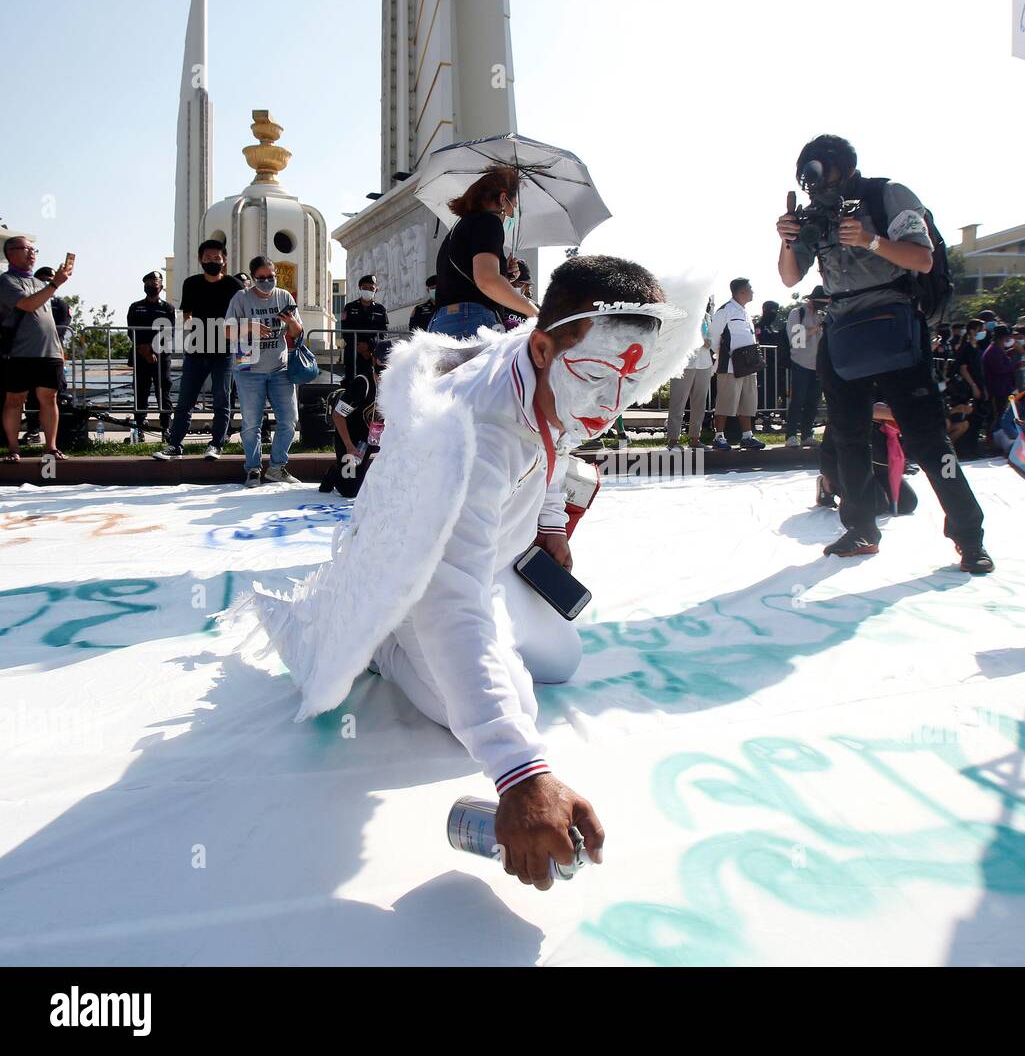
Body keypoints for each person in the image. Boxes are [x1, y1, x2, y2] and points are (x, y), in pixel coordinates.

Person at [242, 255, 703, 891]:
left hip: (485, 563)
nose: (609, 406)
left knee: (560, 661)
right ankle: (386, 642)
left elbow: (556, 440)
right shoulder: (471, 435)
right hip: (421, 574)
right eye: (597, 378)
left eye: (627, 383)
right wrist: (520, 772)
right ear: (541, 347)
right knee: (485, 713)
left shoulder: (556, 357)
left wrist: (546, 527)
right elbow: (448, 595)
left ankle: (459, 641)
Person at [776, 134, 991, 570]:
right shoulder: (814, 213)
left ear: (843, 167)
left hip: (894, 324)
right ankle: (860, 529)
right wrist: (785, 238)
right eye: (807, 175)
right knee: (846, 436)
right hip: (840, 329)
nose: (814, 182)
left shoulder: (886, 194)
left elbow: (923, 260)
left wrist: (870, 240)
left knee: (928, 440)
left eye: (820, 170)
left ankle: (969, 538)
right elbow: (788, 278)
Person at [153, 239, 241, 461]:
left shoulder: (233, 285)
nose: (213, 261)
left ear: (224, 261)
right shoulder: (191, 283)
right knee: (185, 401)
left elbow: (242, 313)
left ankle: (216, 444)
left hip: (224, 351)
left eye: (217, 258)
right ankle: (174, 445)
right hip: (196, 350)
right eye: (208, 258)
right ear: (200, 259)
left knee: (222, 400)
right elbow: (187, 313)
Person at [427, 166, 538, 338]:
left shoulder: (461, 226)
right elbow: (487, 280)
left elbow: (466, 280)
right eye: (514, 205)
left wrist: (503, 272)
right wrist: (535, 313)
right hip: (472, 321)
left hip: (443, 322)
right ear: (503, 199)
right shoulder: (489, 221)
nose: (513, 212)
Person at [227, 256, 304, 487]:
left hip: (279, 368)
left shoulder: (284, 296)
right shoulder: (241, 298)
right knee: (251, 422)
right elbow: (227, 331)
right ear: (252, 279)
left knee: (290, 419)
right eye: (262, 278)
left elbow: (298, 332)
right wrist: (250, 326)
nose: (267, 281)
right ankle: (252, 468)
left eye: (271, 277)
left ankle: (277, 467)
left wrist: (291, 321)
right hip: (248, 369)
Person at [1, 237, 70, 460]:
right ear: (11, 253)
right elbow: (27, 305)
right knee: (15, 400)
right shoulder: (6, 281)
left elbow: (47, 319)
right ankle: (13, 448)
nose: (32, 253)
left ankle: (50, 447)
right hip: (19, 352)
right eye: (27, 249)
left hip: (49, 352)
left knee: (49, 399)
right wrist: (55, 284)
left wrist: (60, 349)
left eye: (34, 249)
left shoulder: (41, 284)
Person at [320, 338, 391, 498]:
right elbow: (337, 415)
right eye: (382, 360)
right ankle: (333, 473)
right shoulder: (363, 383)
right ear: (374, 359)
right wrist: (349, 446)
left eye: (390, 362)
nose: (385, 366)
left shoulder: (397, 384)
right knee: (349, 489)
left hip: (375, 437)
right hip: (353, 438)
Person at [709, 277, 763, 450]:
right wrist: (723, 354)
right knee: (725, 401)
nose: (753, 291)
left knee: (747, 402)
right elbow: (713, 337)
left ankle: (747, 436)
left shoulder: (745, 311)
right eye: (750, 288)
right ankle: (719, 437)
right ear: (741, 291)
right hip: (730, 365)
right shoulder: (725, 310)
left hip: (748, 365)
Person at [125, 270, 174, 437]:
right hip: (140, 355)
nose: (153, 285)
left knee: (164, 389)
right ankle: (140, 426)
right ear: (144, 285)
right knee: (141, 390)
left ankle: (166, 427)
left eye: (156, 282)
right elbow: (131, 332)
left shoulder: (168, 308)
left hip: (161, 355)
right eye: (149, 282)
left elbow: (169, 333)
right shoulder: (135, 307)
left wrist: (153, 350)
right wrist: (145, 350)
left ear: (161, 287)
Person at [666, 302, 713, 450]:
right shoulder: (682, 314)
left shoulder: (707, 317)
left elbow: (712, 338)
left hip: (704, 363)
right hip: (684, 363)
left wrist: (709, 343)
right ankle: (673, 440)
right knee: (678, 402)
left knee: (699, 403)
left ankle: (695, 438)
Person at [784, 285, 827, 447]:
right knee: (798, 400)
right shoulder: (797, 314)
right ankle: (791, 435)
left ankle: (807, 434)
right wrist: (816, 328)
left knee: (813, 401)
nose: (823, 307)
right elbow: (796, 340)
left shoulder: (823, 315)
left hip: (818, 365)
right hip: (800, 362)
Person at [338, 274, 388, 381]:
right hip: (353, 353)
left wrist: (369, 347)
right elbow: (345, 331)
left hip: (372, 354)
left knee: (371, 386)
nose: (368, 290)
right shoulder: (349, 307)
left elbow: (383, 333)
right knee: (351, 384)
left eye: (371, 288)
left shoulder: (380, 310)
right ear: (359, 288)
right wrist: (359, 347)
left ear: (376, 290)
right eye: (365, 288)